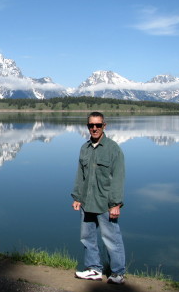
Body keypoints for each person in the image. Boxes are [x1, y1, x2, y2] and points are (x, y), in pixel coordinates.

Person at [71, 111, 126, 285]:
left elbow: (118, 177)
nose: (94, 128)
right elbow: (80, 175)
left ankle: (117, 273)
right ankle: (93, 269)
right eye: (91, 125)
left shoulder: (113, 148)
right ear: (87, 127)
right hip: (87, 202)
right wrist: (77, 197)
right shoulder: (84, 148)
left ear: (104, 126)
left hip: (105, 203)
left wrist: (115, 203)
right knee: (87, 238)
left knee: (111, 239)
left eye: (98, 125)